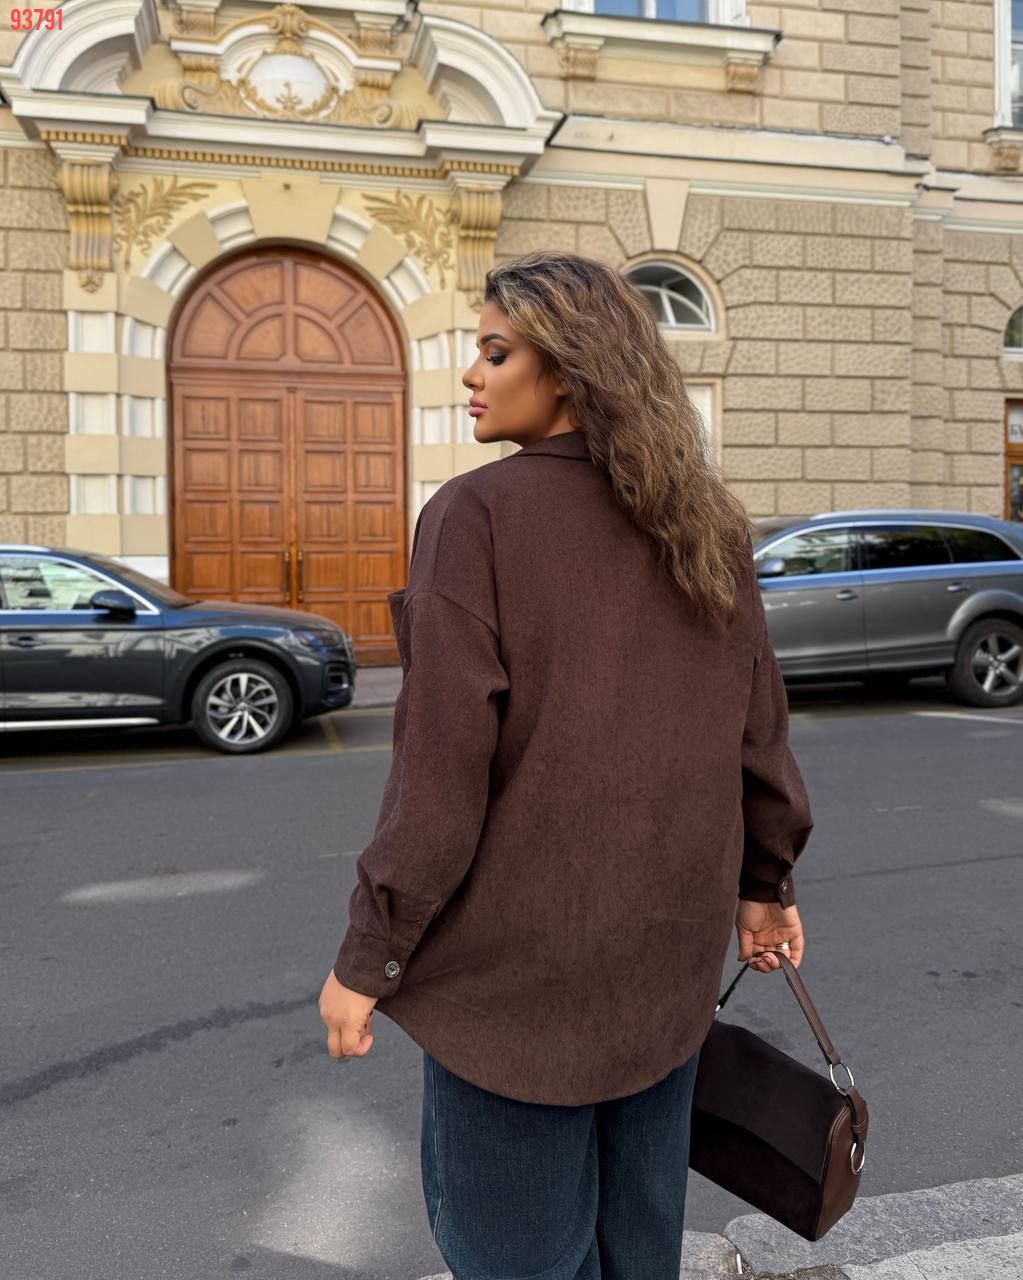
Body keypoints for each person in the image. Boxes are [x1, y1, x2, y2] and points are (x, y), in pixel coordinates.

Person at [319, 251, 813, 1280]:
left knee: (516, 1256)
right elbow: (758, 730)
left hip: (517, 996)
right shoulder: (705, 522)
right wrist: (765, 886)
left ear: (569, 367)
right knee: (639, 1247)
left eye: (496, 352)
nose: (471, 373)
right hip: (662, 971)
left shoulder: (476, 515)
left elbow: (440, 775)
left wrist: (368, 956)